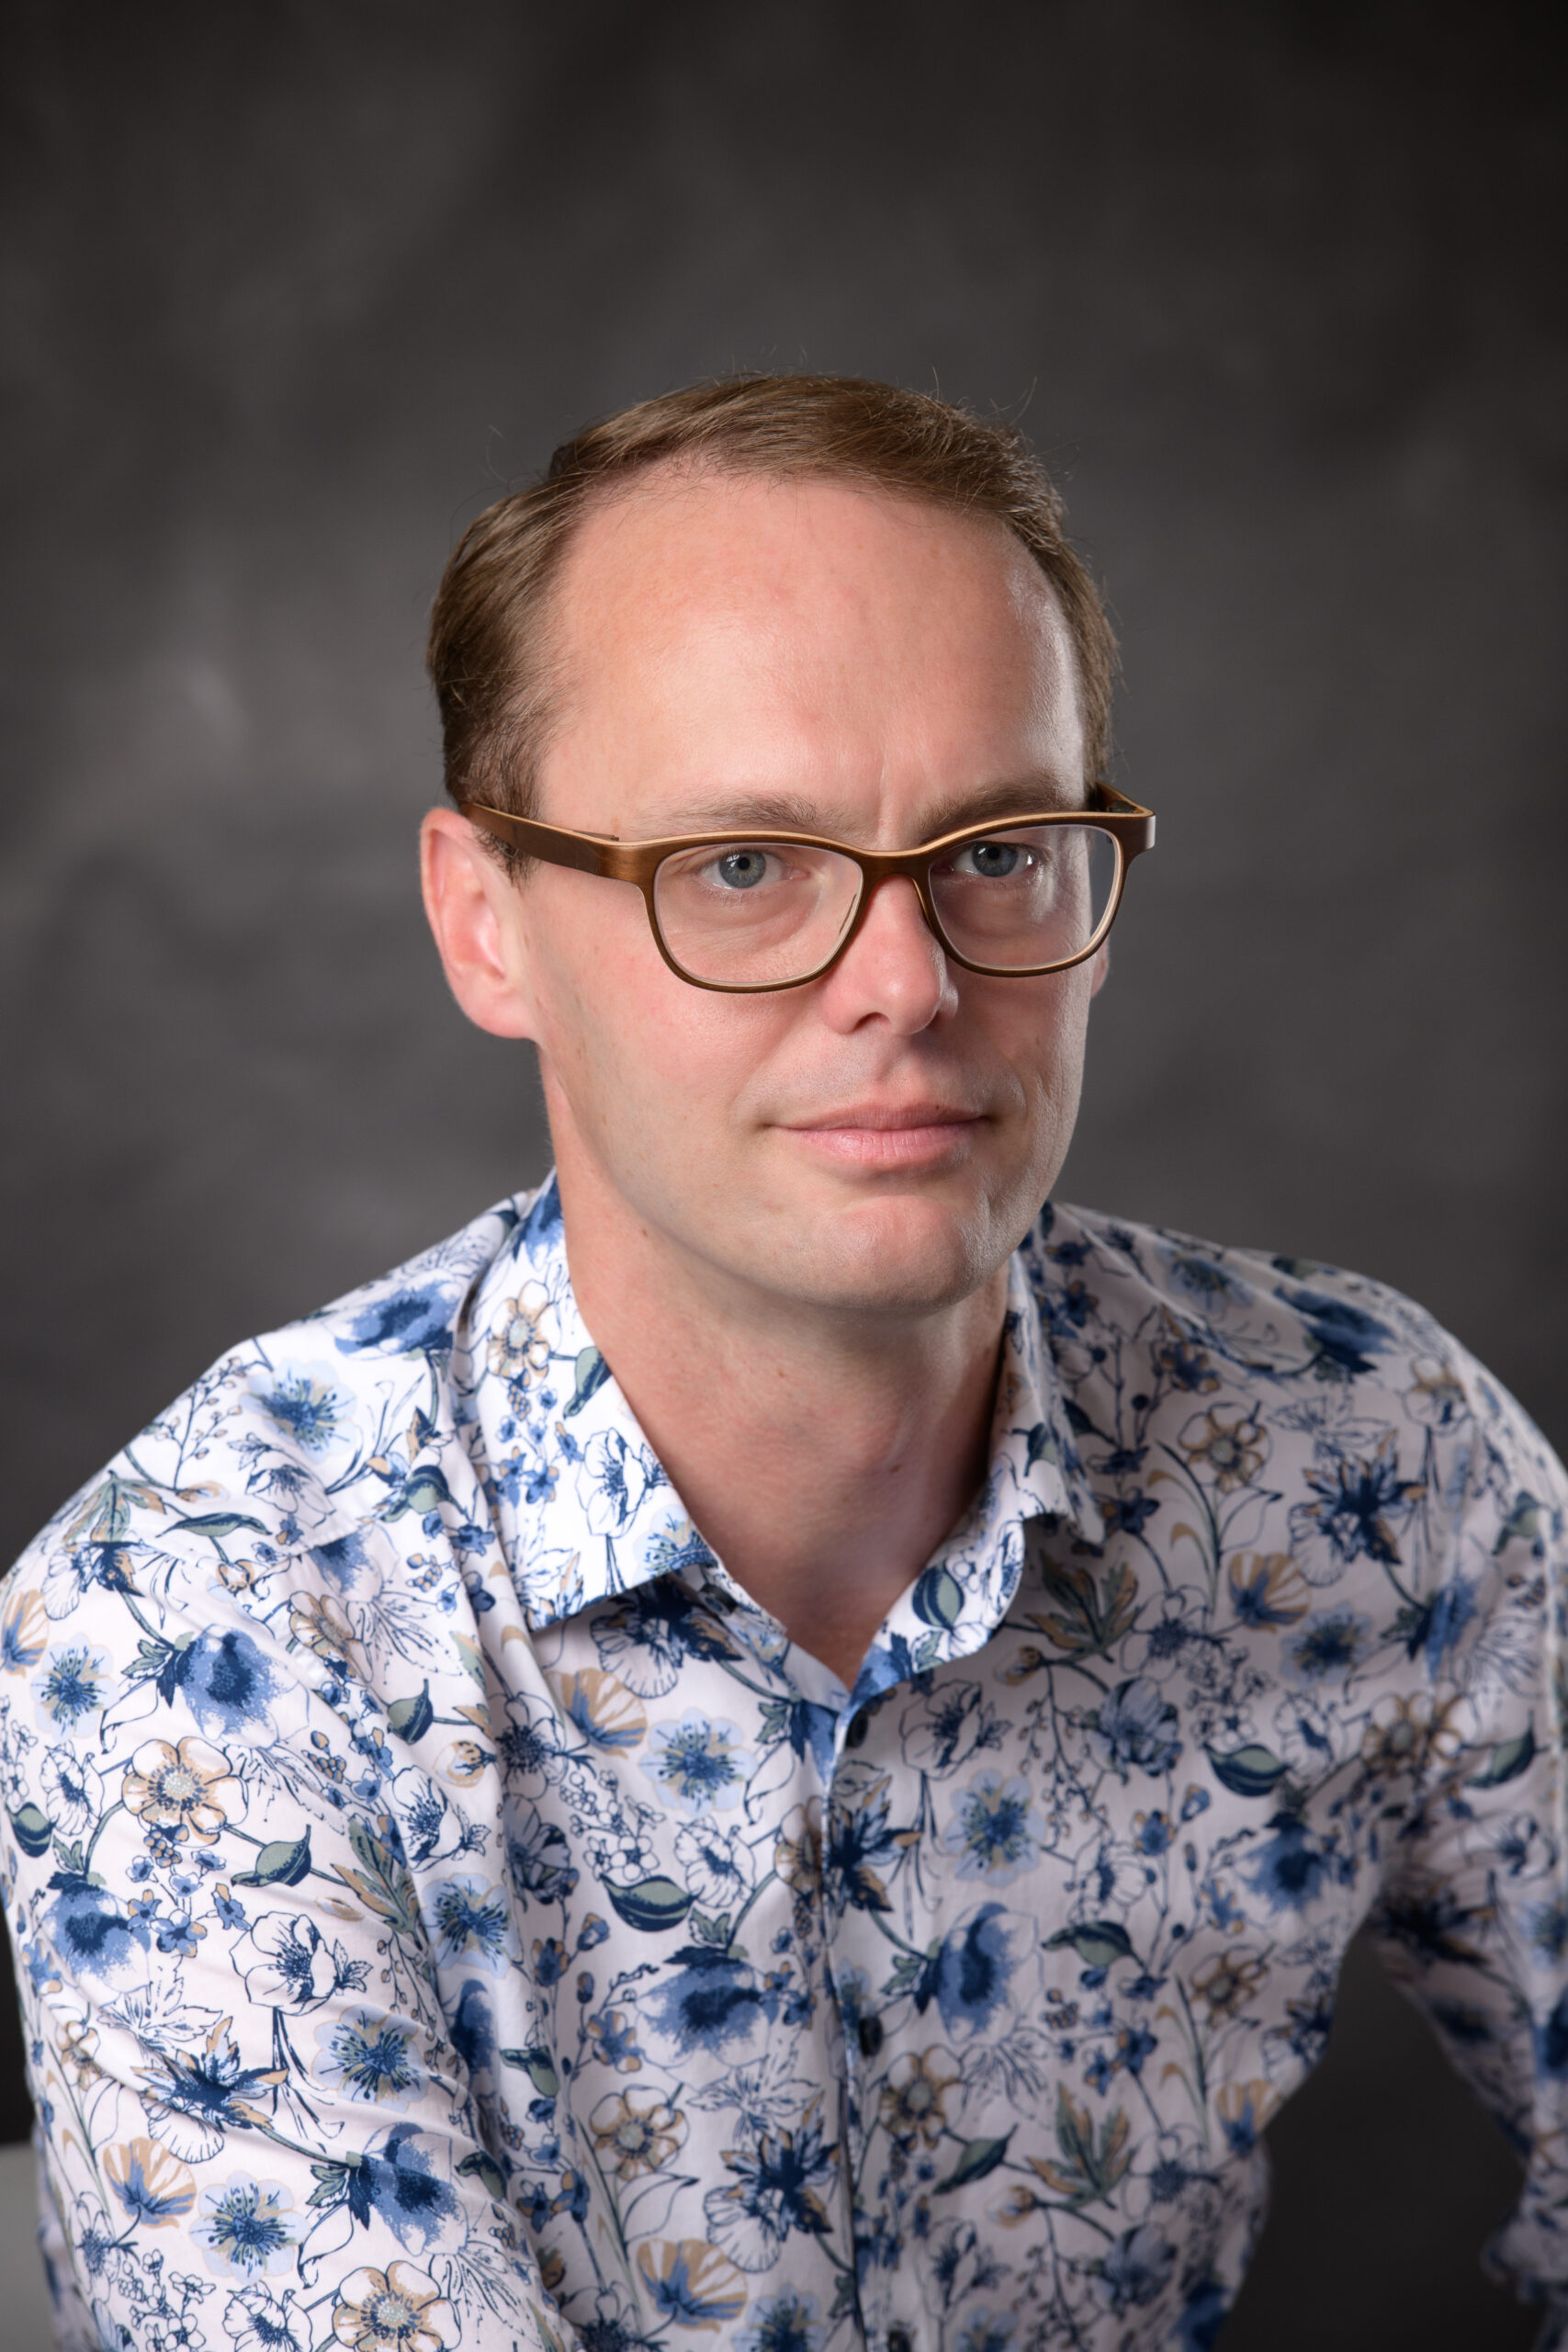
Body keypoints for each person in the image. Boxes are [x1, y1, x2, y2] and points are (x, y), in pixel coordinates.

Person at [3, 374, 1563, 2352]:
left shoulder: (1370, 1461)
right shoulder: (191, 1627)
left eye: (998, 848)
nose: (906, 983)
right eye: (743, 864)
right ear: (485, 923)